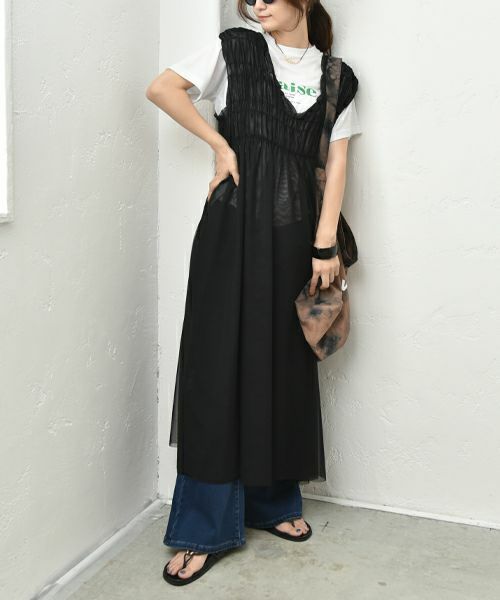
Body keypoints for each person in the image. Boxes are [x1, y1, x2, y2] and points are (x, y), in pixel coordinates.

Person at [146, 0, 361, 586]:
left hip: (294, 237)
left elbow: (337, 163)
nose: (258, 3)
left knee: (282, 366)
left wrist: (324, 244)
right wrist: (220, 146)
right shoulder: (235, 49)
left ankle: (271, 503)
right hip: (232, 228)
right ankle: (203, 527)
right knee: (216, 367)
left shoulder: (337, 78)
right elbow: (163, 89)